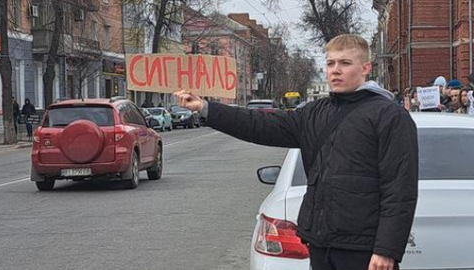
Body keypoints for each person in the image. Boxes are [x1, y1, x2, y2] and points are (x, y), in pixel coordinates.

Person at [174, 34, 418, 270]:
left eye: (345, 63)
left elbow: (399, 188)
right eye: (330, 63)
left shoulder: (389, 116)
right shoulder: (314, 113)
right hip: (322, 244)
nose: (335, 70)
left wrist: (386, 249)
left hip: (362, 250)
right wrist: (206, 108)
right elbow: (260, 125)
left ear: (365, 68)